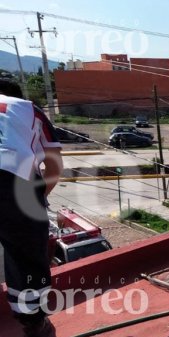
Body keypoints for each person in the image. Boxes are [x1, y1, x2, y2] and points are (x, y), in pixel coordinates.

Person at [0, 80, 63, 337]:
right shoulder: (28, 109)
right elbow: (54, 167)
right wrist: (37, 199)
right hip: (13, 179)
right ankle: (34, 324)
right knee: (27, 254)